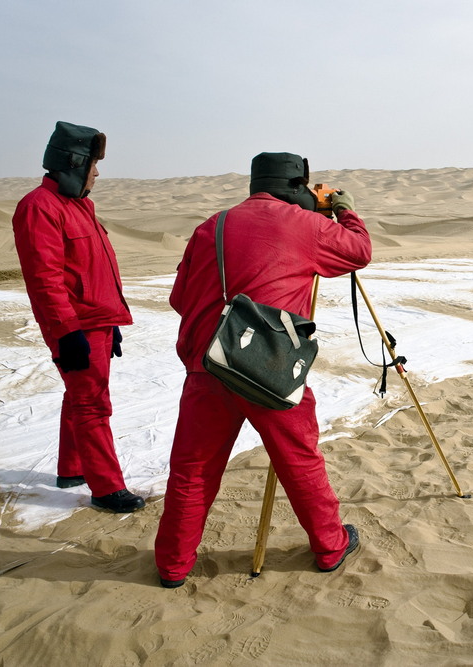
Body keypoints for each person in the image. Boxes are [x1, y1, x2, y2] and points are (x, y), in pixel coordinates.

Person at [155, 152, 372, 588]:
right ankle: (330, 547)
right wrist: (343, 208)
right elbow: (359, 252)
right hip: (269, 367)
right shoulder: (306, 225)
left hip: (208, 363)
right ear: (298, 186)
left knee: (192, 470)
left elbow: (181, 296)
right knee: (300, 460)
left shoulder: (211, 226)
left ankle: (172, 566)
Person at [11, 121, 144, 513]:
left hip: (96, 322)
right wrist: (67, 333)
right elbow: (46, 280)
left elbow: (92, 271)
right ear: (74, 162)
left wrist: (112, 321)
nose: (98, 174)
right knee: (92, 405)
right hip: (75, 326)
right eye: (93, 165)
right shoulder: (38, 208)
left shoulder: (80, 205)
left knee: (80, 397)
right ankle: (106, 488)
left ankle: (72, 468)